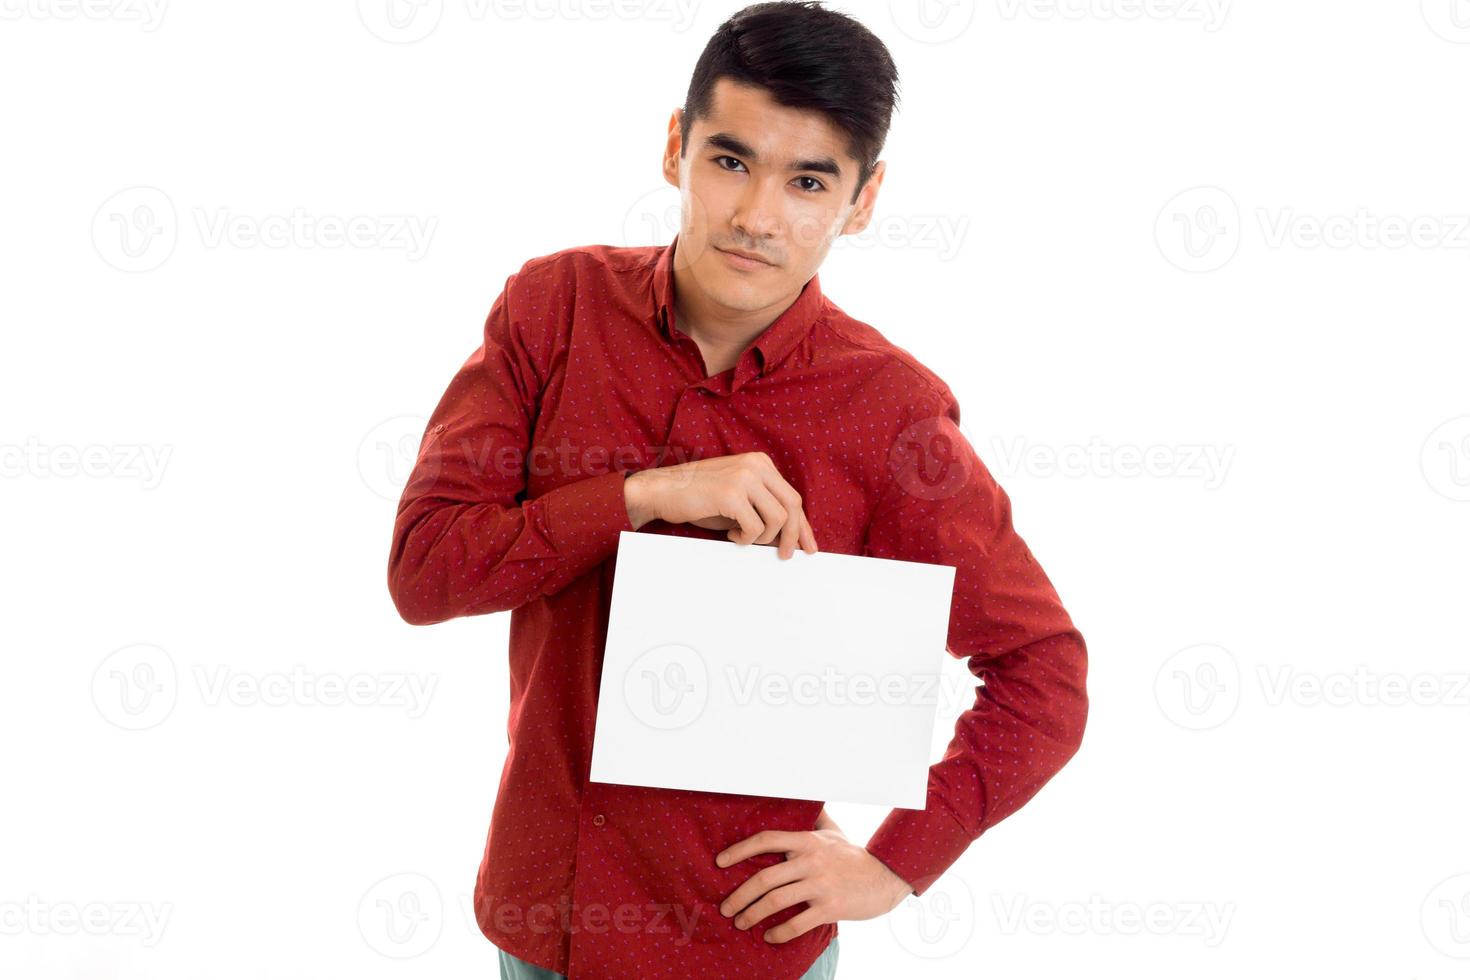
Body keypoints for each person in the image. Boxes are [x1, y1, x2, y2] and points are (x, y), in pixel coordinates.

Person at [386, 3, 1089, 977]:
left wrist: (894, 864)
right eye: (730, 160)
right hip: (540, 922)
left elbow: (1043, 670)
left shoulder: (892, 411)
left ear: (864, 197)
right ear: (675, 148)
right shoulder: (553, 311)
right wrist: (640, 495)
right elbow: (427, 573)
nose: (759, 214)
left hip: (738, 945)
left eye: (809, 181)